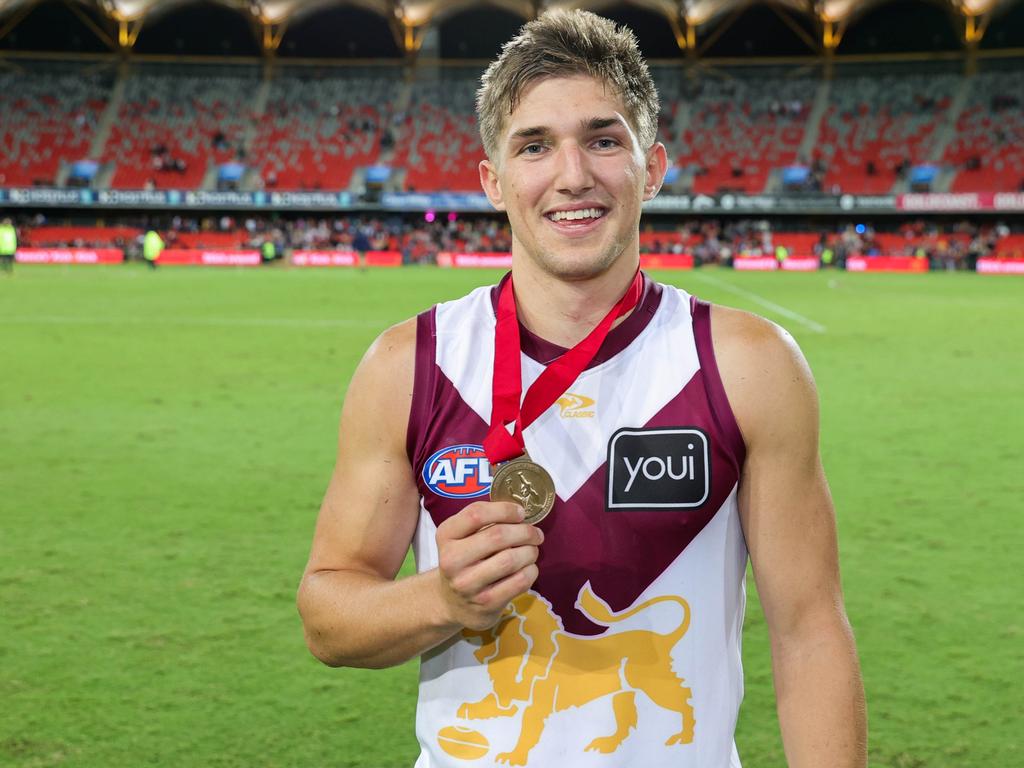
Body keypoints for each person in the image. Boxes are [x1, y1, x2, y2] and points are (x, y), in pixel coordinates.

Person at [297, 10, 866, 768]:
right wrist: (438, 599)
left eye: (603, 140)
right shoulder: (409, 364)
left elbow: (808, 631)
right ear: (494, 182)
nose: (572, 176)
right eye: (535, 146)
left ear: (652, 167)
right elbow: (327, 617)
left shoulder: (747, 364)